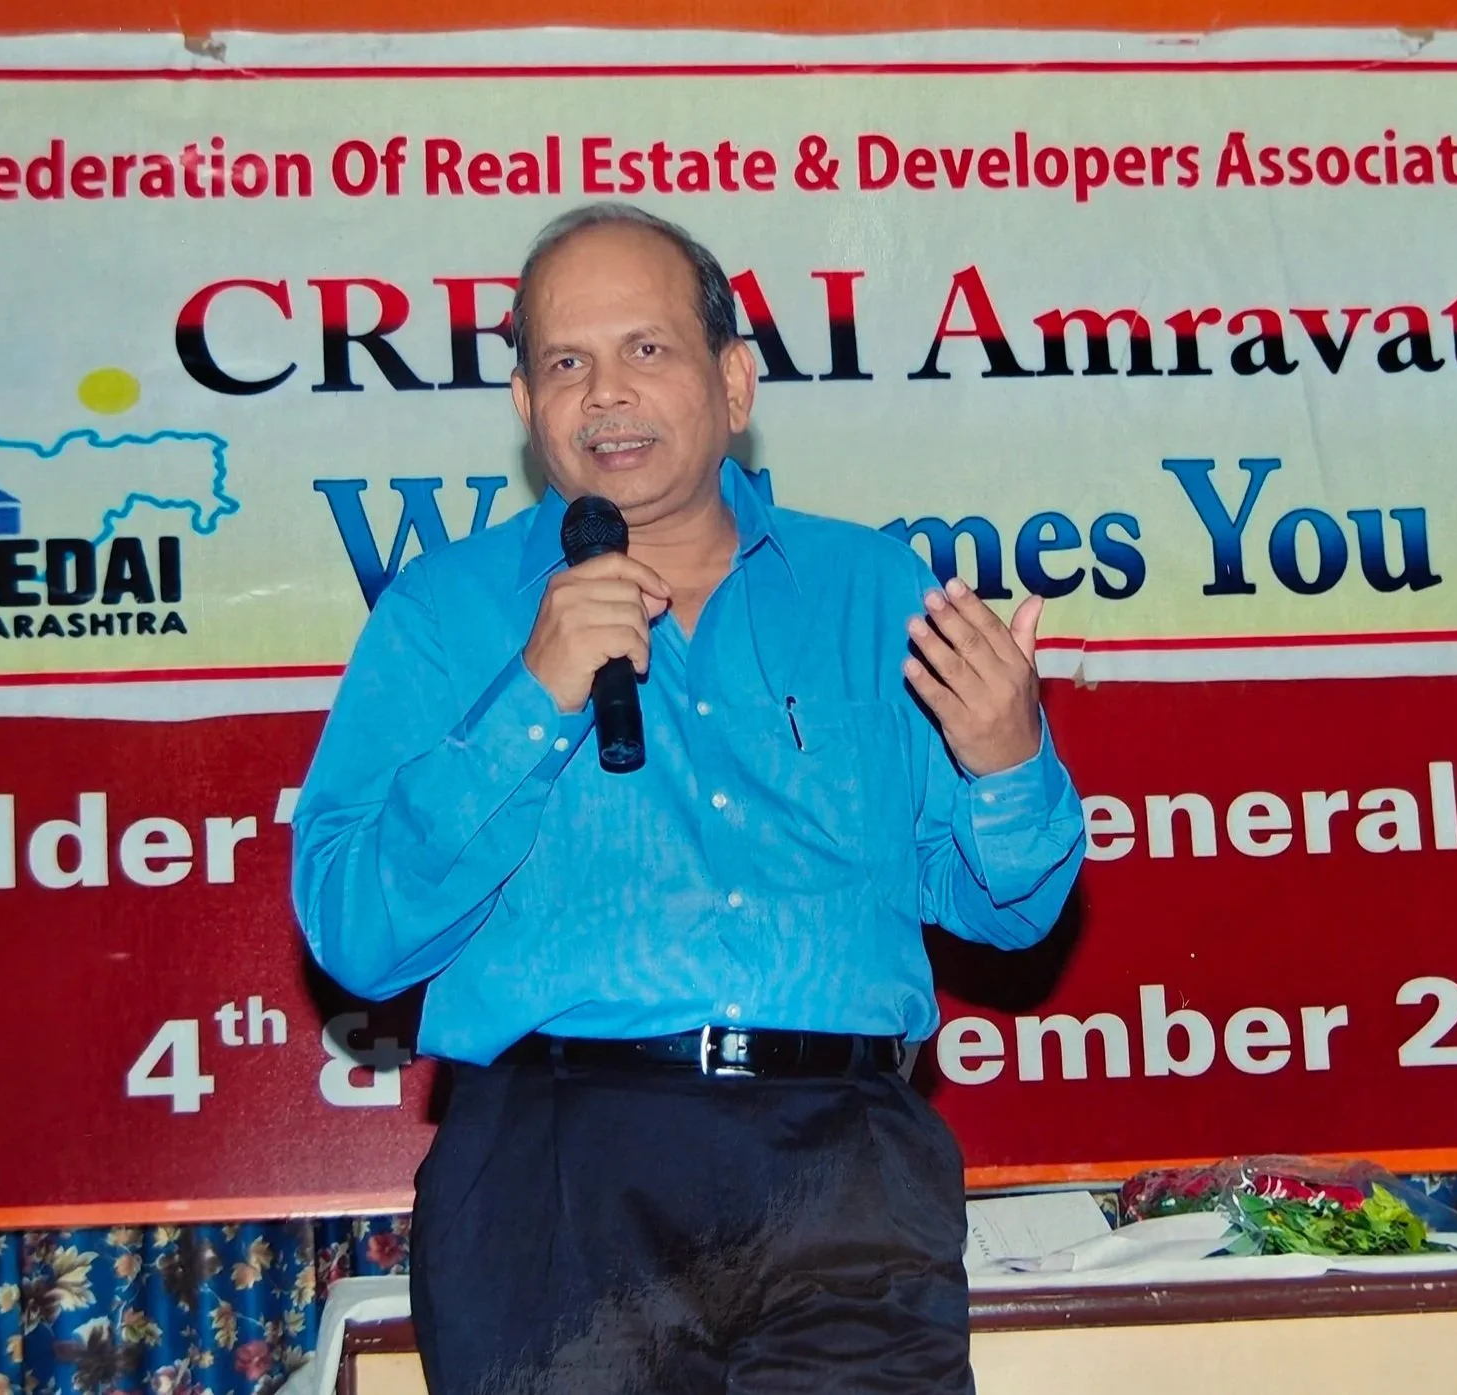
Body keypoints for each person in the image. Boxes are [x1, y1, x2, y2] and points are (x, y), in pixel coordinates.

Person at [291, 202, 1086, 1395]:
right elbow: (355, 932)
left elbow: (1010, 912)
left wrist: (1007, 761)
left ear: (734, 380)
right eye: (566, 364)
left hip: (847, 1171)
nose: (606, 394)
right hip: (558, 1176)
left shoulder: (874, 590)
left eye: (646, 349)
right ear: (525, 404)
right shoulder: (444, 613)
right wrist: (531, 697)